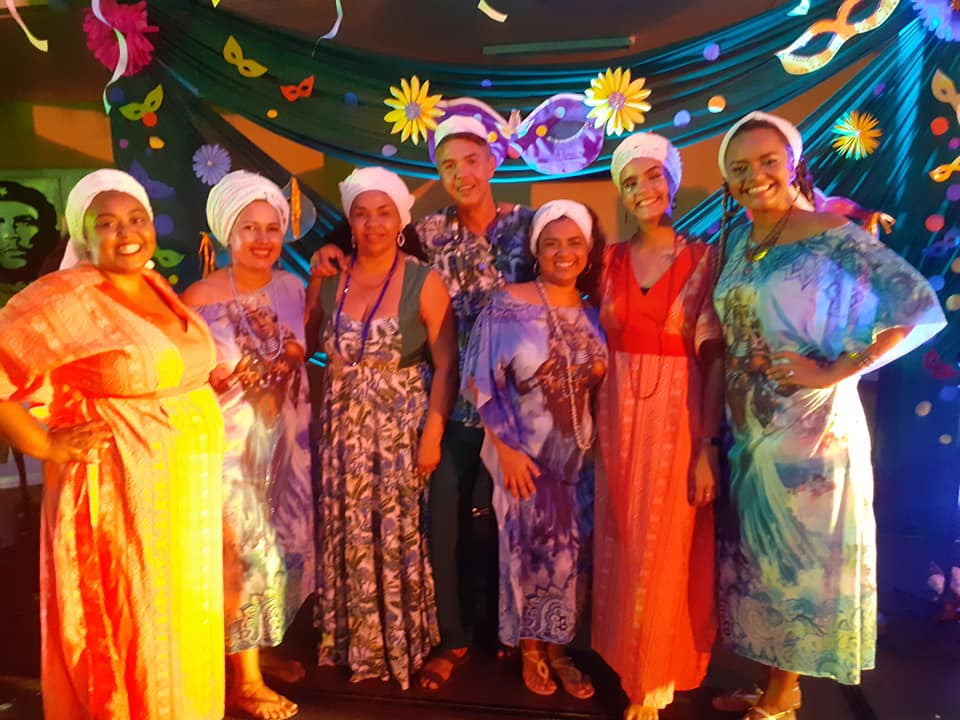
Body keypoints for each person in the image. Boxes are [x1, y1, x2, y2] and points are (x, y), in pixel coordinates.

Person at [712, 111, 946, 720]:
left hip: (813, 438)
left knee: (801, 570)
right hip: (752, 438)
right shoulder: (740, 241)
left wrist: (838, 369)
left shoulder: (832, 234)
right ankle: (774, 684)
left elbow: (918, 307)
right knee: (766, 569)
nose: (755, 176)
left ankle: (781, 699)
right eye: (740, 168)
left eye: (768, 161)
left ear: (794, 164)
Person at [311, 115, 536, 690]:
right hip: (453, 404)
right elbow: (371, 243)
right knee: (442, 526)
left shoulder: (529, 227)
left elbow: (567, 271)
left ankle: (516, 637)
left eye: (471, 161)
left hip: (518, 408)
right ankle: (454, 637)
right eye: (447, 165)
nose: (461, 174)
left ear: (492, 162)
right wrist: (327, 252)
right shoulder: (430, 232)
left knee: (512, 523)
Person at [0, 169, 226, 719]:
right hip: (121, 496)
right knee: (141, 616)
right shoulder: (68, 295)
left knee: (183, 615)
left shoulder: (152, 284)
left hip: (185, 503)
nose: (126, 233)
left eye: (136, 219)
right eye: (107, 223)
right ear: (83, 233)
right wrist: (44, 445)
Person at [591, 133, 724, 720]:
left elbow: (715, 360)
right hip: (614, 420)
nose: (643, 190)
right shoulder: (607, 260)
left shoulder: (706, 259)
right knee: (620, 541)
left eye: (652, 176)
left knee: (664, 546)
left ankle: (651, 680)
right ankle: (624, 658)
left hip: (677, 420)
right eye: (630, 181)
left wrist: (707, 446)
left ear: (671, 181)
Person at [309, 166, 457, 690]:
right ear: (350, 221)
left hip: (398, 429)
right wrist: (314, 277)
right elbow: (305, 340)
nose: (372, 223)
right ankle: (352, 643)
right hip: (342, 429)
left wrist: (432, 435)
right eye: (362, 213)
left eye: (383, 213)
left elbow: (447, 363)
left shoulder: (423, 280)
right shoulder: (332, 277)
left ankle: (397, 642)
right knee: (348, 531)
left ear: (400, 221)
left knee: (394, 534)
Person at [182, 171, 313, 720]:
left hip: (288, 447)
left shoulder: (292, 288)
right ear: (226, 234)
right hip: (231, 453)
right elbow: (185, 380)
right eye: (249, 228)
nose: (262, 239)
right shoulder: (198, 298)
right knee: (245, 556)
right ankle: (247, 682)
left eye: (271, 228)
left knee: (281, 552)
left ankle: (260, 652)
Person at [463, 200, 606, 698]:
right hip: (524, 457)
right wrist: (505, 449)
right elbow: (480, 380)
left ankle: (559, 649)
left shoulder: (594, 314)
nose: (563, 253)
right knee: (528, 553)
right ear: (536, 250)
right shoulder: (508, 304)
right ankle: (530, 648)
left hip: (580, 463)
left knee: (572, 560)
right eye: (551, 243)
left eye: (574, 243)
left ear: (588, 250)